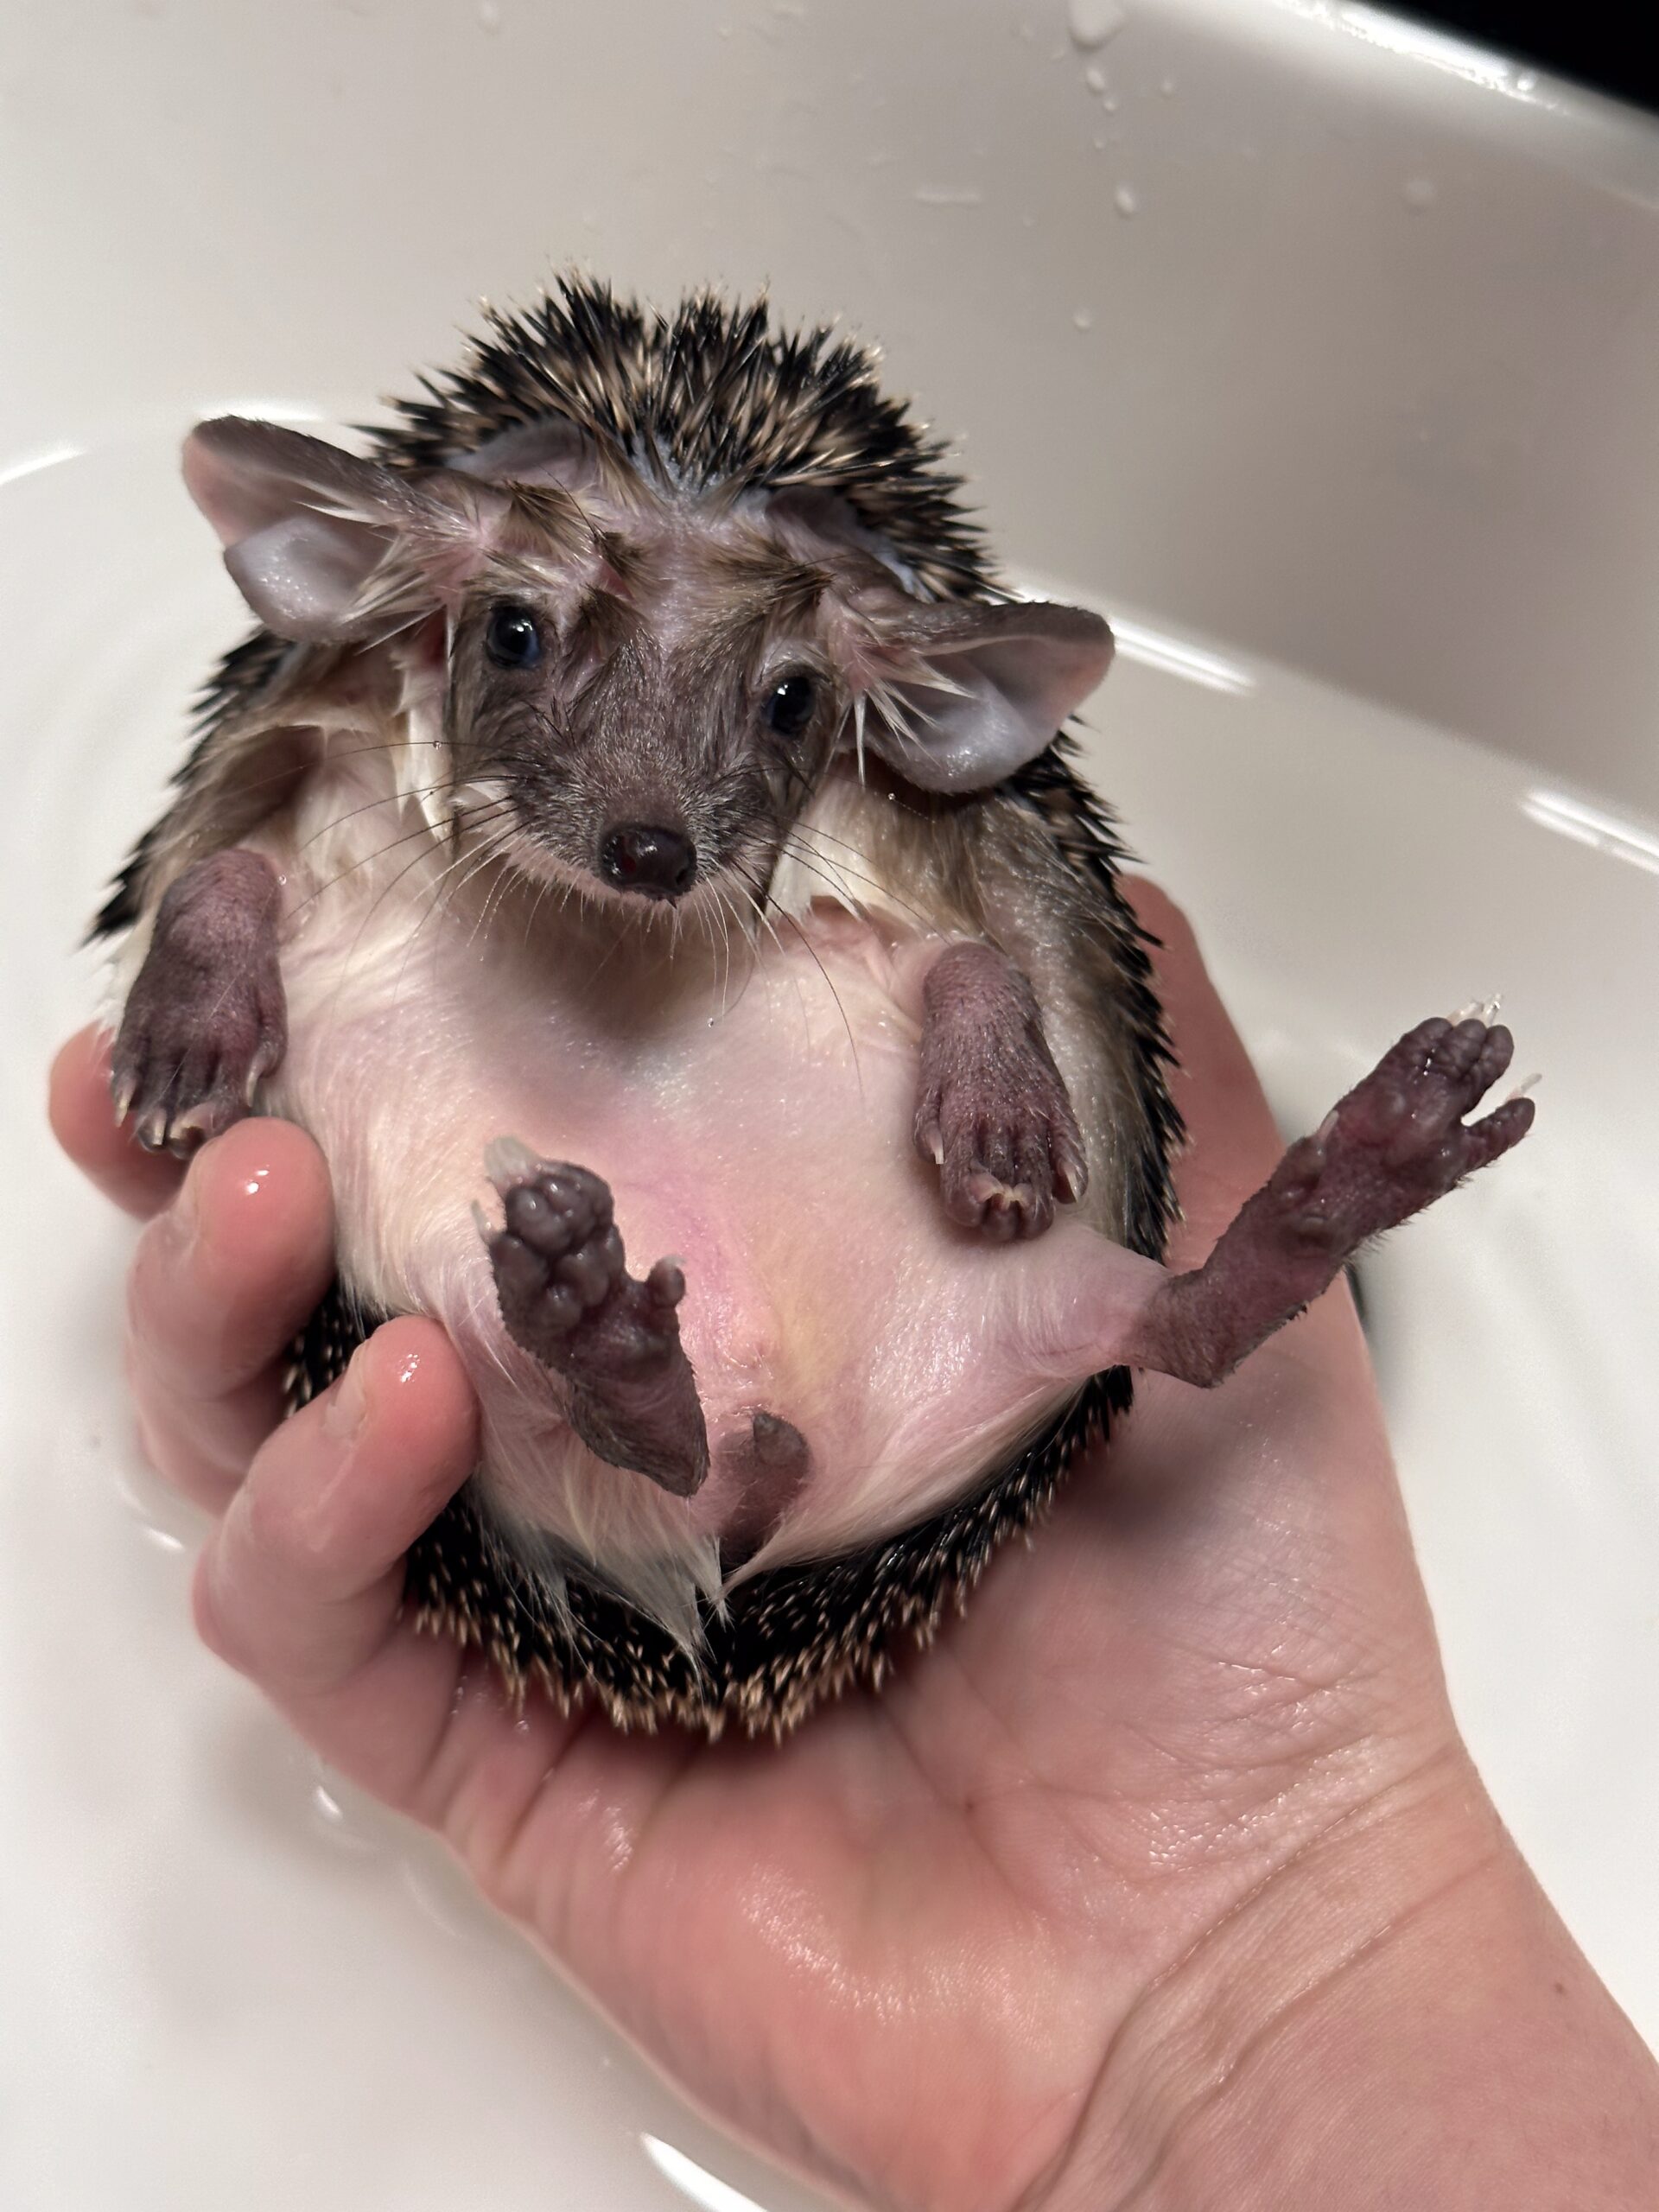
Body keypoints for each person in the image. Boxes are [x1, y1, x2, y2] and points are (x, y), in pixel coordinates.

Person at [48, 884, 1659, 2212]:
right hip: (854, 1372)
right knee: (1100, 1318)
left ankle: (638, 1407)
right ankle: (650, 1407)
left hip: (823, 1380)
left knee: (1012, 1312)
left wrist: (1258, 1959)